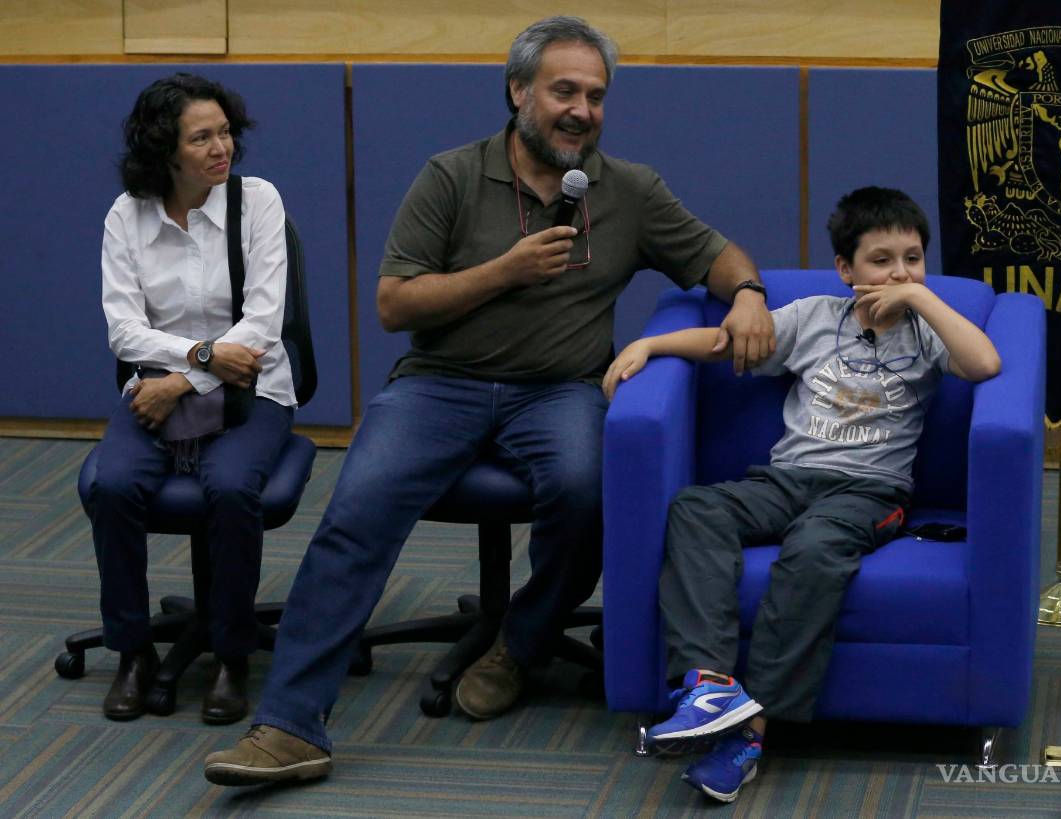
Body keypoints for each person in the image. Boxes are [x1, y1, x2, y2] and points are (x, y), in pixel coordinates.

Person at [204, 15, 774, 787]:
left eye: (596, 96)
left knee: (587, 493)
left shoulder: (628, 190)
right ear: (518, 92)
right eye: (563, 90)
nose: (581, 110)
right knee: (357, 508)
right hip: (442, 385)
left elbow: (717, 253)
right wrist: (504, 270)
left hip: (560, 390)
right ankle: (290, 725)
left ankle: (522, 642)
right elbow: (394, 305)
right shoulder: (451, 175)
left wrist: (746, 293)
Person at [602, 187, 1002, 803]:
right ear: (846, 270)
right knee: (697, 508)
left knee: (814, 551)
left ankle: (750, 732)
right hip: (787, 478)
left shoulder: (927, 331)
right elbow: (720, 343)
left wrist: (923, 296)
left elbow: (984, 364)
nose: (898, 272)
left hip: (870, 491)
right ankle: (709, 686)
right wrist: (649, 345)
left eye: (913, 258)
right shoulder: (815, 316)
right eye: (881, 260)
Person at [88, 73, 295, 724]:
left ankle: (232, 657)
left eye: (225, 132)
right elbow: (123, 328)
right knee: (114, 486)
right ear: (164, 149)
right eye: (201, 137)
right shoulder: (128, 214)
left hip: (254, 387)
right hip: (154, 388)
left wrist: (185, 375)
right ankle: (132, 652)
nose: (220, 148)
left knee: (232, 489)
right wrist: (202, 358)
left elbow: (261, 326)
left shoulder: (256, 202)